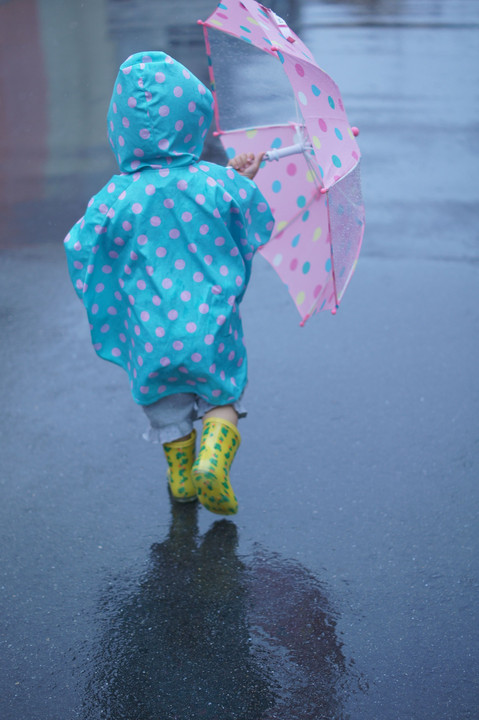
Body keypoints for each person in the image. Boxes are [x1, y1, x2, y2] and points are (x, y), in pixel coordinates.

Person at [64, 51, 274, 516]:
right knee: (222, 397)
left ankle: (181, 476)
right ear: (193, 117)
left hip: (149, 334)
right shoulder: (213, 182)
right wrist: (242, 179)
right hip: (209, 325)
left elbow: (79, 245)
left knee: (166, 406)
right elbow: (256, 220)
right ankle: (212, 463)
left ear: (120, 128)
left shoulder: (116, 195)